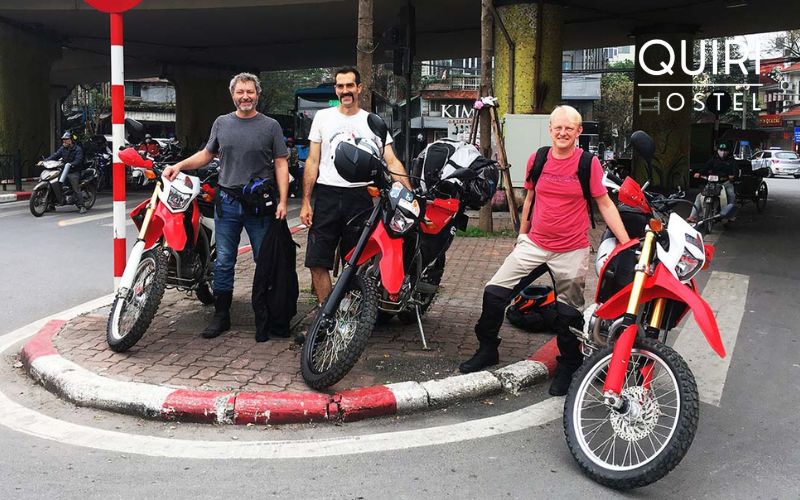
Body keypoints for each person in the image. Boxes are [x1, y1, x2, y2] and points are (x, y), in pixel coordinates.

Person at [458, 105, 631, 396]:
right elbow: (529, 198)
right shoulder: (537, 159)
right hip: (535, 244)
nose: (563, 132)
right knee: (494, 293)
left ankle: (569, 365)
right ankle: (488, 349)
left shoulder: (588, 163)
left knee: (568, 314)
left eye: (569, 128)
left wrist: (625, 244)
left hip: (571, 250)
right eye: (558, 127)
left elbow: (604, 204)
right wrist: (522, 236)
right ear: (550, 129)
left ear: (578, 132)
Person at [163, 72, 289, 339]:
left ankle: (265, 316)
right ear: (232, 95)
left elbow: (280, 163)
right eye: (240, 92)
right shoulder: (222, 123)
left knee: (264, 261)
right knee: (224, 262)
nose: (246, 96)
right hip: (228, 203)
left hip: (260, 206)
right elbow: (207, 154)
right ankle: (221, 315)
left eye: (250, 92)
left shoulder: (271, 126)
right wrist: (179, 165)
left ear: (258, 94)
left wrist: (283, 201)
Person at [299, 66, 412, 305]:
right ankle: (326, 316)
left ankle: (350, 318)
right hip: (327, 195)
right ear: (336, 90)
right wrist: (306, 202)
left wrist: (409, 193)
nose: (345, 90)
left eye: (350, 85)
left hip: (361, 199)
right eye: (340, 86)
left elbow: (390, 159)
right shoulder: (323, 118)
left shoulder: (373, 121)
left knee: (358, 263)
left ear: (359, 88)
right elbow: (313, 160)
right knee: (317, 261)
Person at [688, 142, 737, 222]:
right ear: (717, 150)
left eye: (725, 150)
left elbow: (735, 172)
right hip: (712, 183)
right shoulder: (714, 159)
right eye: (721, 150)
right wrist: (699, 173)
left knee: (731, 195)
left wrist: (733, 176)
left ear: (728, 151)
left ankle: (730, 215)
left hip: (726, 183)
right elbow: (705, 167)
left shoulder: (732, 161)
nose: (723, 152)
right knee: (699, 196)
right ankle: (692, 216)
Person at [42, 131, 86, 213]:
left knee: (75, 187)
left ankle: (82, 206)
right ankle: (51, 205)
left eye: (66, 139)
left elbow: (79, 160)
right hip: (64, 171)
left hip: (73, 171)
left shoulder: (77, 149)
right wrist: (45, 161)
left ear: (71, 140)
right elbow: (55, 155)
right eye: (63, 140)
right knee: (54, 184)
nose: (64, 141)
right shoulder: (63, 148)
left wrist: (71, 164)